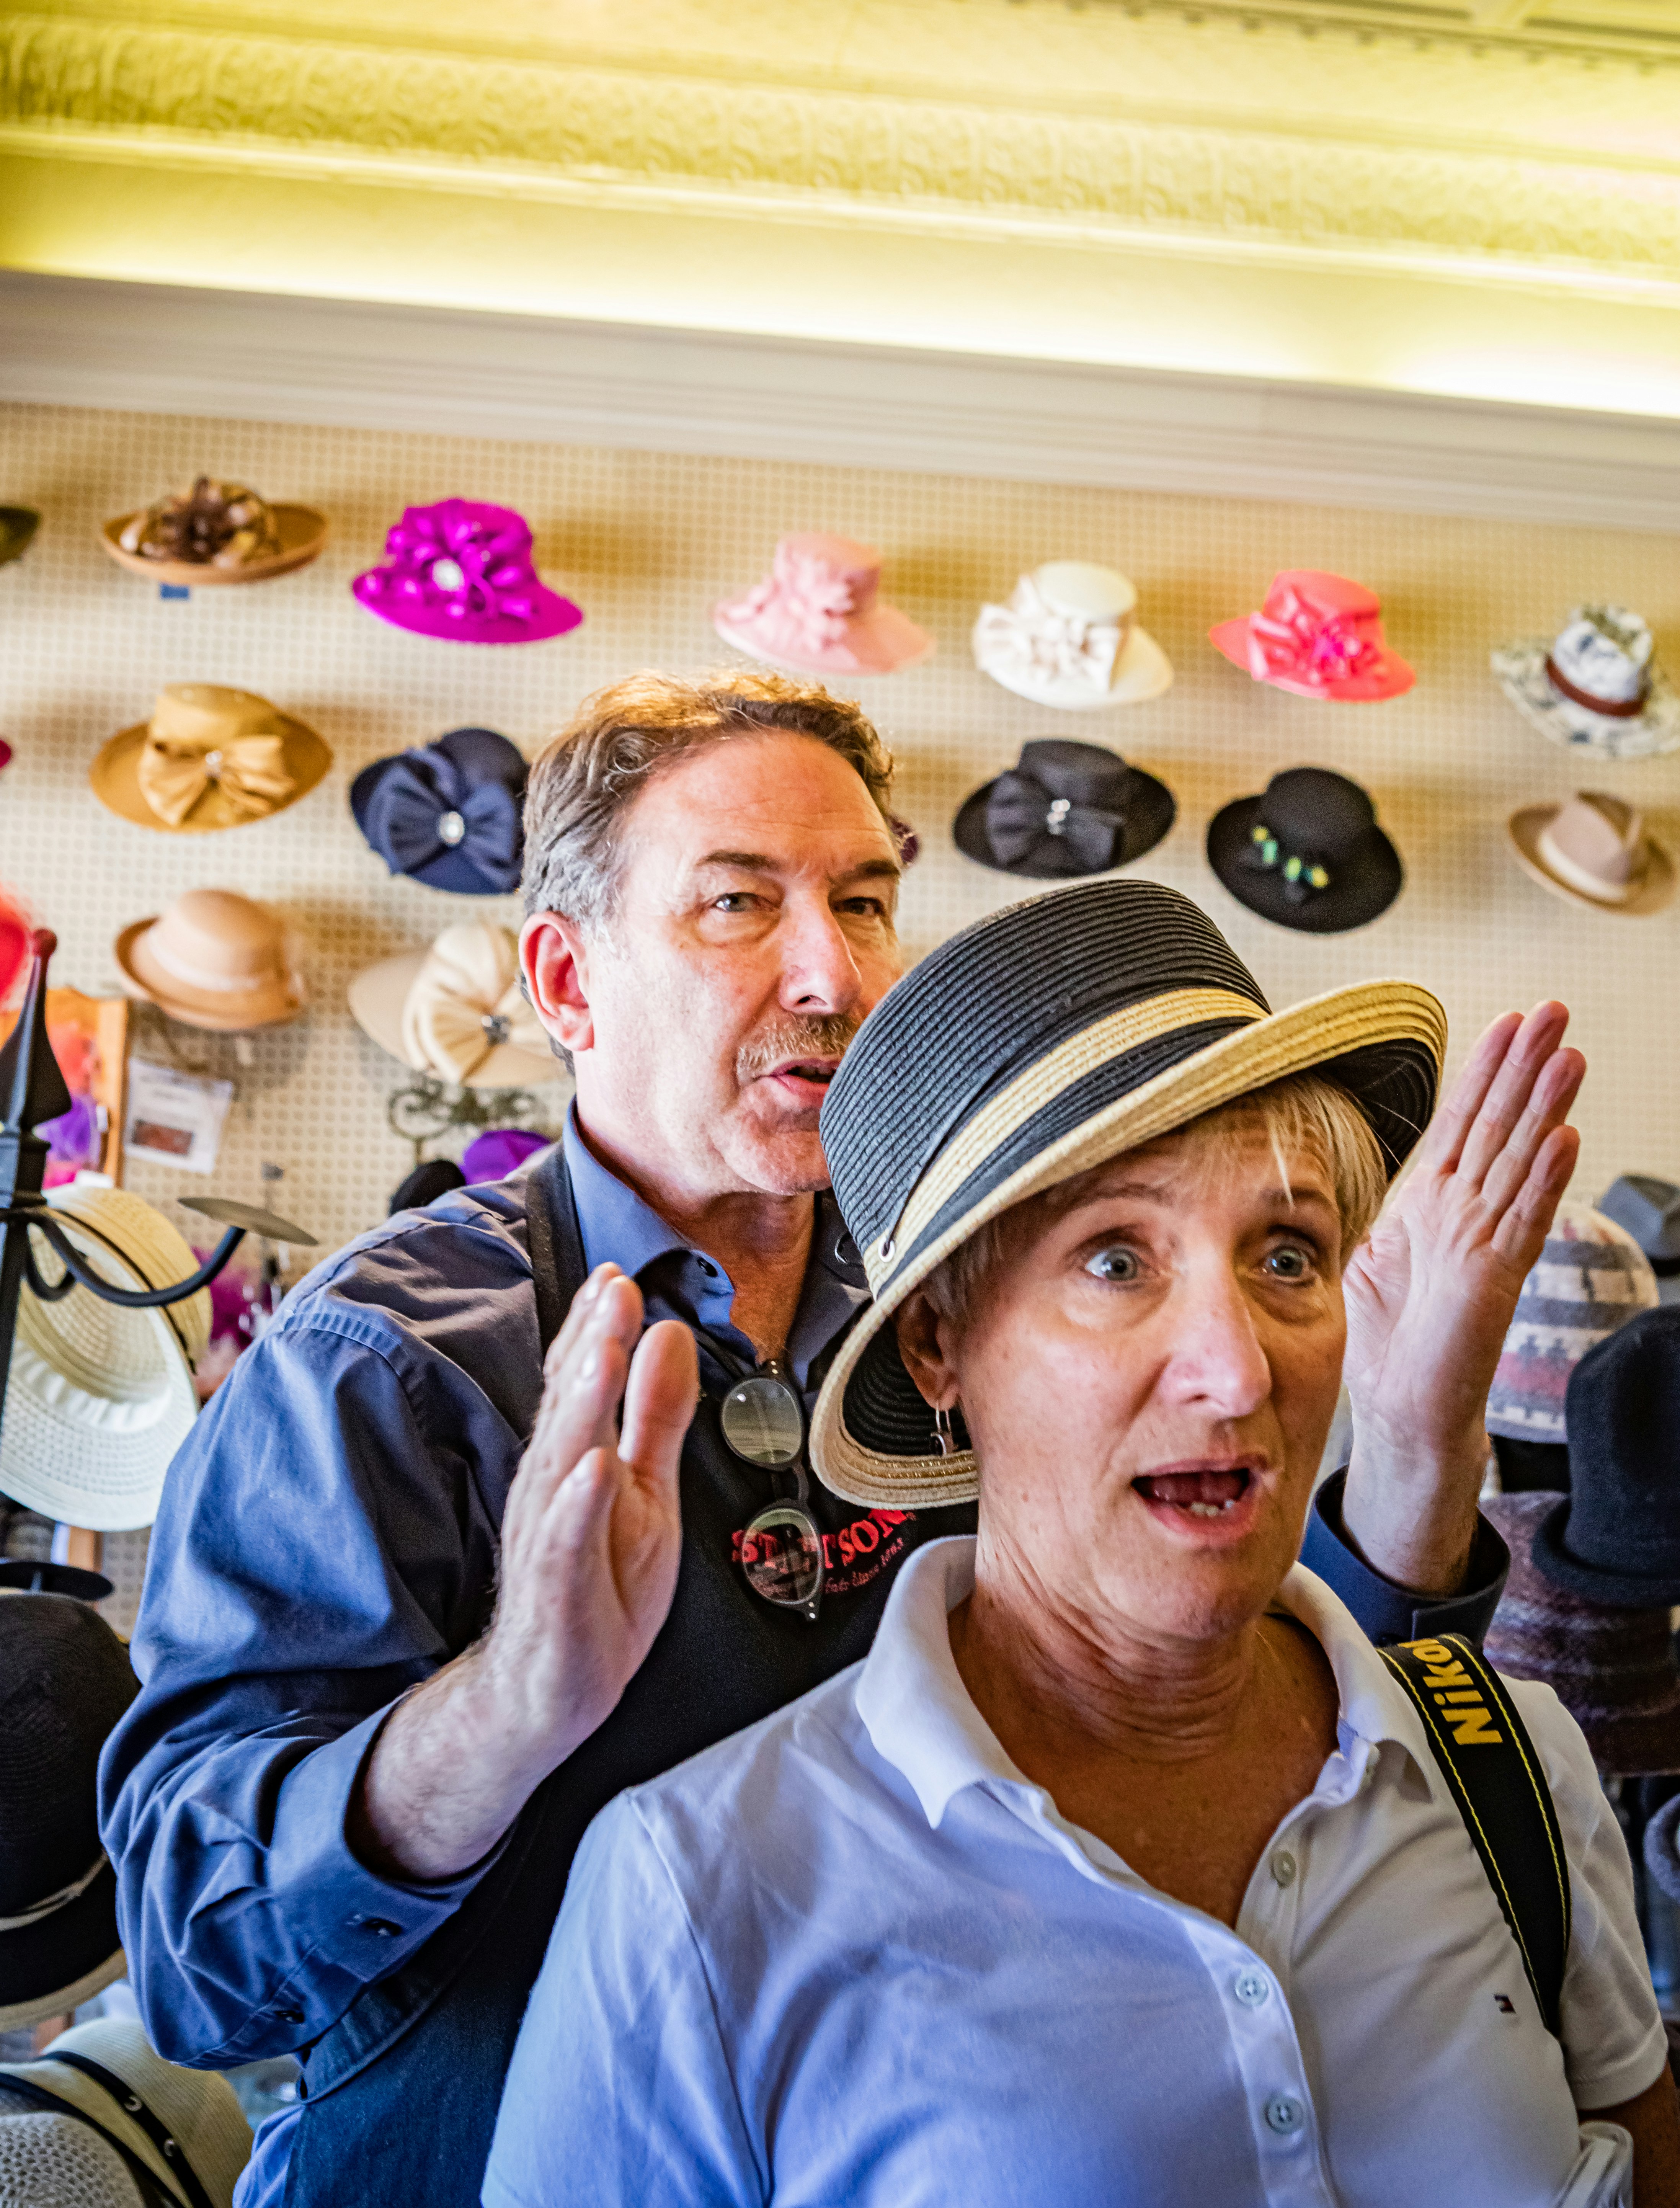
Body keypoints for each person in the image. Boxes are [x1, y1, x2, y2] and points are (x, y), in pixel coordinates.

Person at [102, 673, 1584, 2207]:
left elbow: (1278, 1736)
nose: (832, 970)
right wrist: (505, 1712)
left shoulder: (966, 1306)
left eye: (866, 901)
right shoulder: (387, 1366)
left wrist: (1412, 1440)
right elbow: (200, 1967)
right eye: (739, 904)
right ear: (566, 979)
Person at [487, 880, 1675, 2208]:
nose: (1234, 1372)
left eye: (1287, 1256)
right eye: (1115, 1262)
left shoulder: (1505, 1768)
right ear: (939, 1343)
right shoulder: (703, 1897)